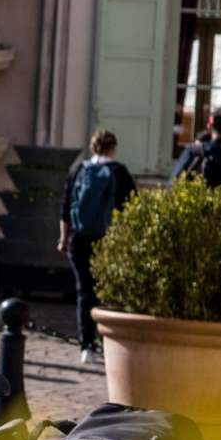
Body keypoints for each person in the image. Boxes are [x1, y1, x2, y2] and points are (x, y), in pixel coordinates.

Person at [59, 129, 137, 358]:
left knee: (84, 291)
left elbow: (65, 208)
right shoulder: (120, 172)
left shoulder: (79, 170)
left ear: (93, 147)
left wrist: (63, 239)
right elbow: (132, 207)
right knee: (107, 292)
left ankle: (86, 346)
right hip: (108, 239)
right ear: (113, 149)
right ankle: (108, 343)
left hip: (79, 239)